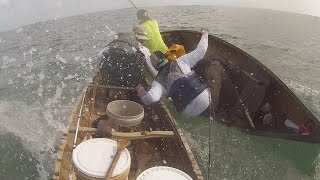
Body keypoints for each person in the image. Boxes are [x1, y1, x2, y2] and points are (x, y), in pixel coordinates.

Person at [136, 29, 214, 117]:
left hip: (188, 112)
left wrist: (143, 96)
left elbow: (152, 98)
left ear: (155, 68)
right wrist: (205, 34)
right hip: (206, 98)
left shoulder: (158, 82)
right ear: (166, 59)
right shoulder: (181, 61)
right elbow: (201, 50)